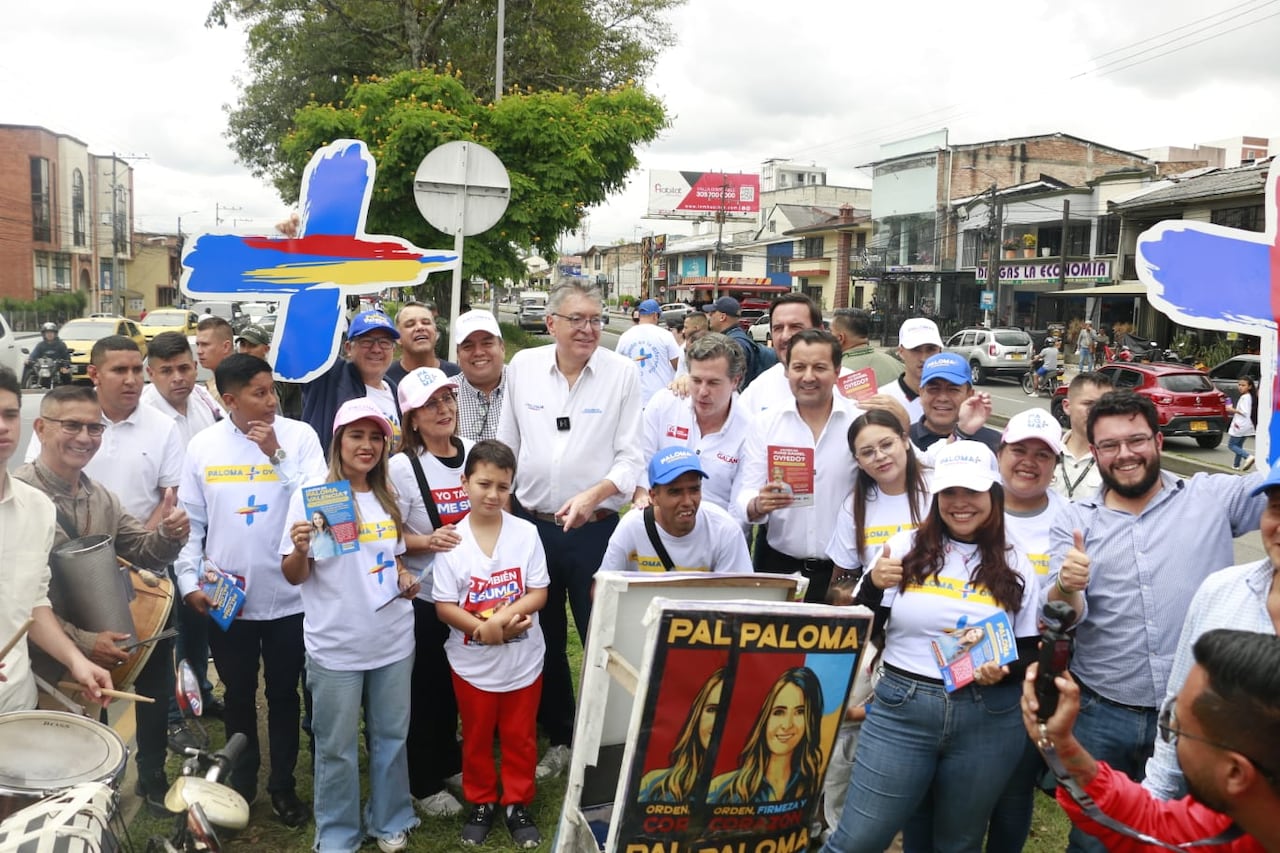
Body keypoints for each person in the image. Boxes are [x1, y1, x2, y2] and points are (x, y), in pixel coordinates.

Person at [1047, 389, 1267, 853]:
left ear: (1159, 442)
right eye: (1109, 445)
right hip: (1103, 713)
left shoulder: (1213, 497)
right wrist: (1068, 585)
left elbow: (1274, 502)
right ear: (1095, 450)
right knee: (1094, 839)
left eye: (1136, 440)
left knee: (1198, 837)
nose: (1124, 454)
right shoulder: (1073, 520)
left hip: (1203, 720)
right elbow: (1060, 618)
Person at [821, 441, 1042, 853]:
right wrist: (870, 587)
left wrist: (1003, 669)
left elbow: (1030, 647)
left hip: (986, 715)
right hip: (902, 710)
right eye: (949, 493)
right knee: (858, 840)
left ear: (993, 493)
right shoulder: (902, 549)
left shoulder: (1016, 561)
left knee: (956, 843)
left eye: (972, 492)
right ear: (936, 497)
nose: (961, 503)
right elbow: (858, 634)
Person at [16, 383, 188, 815]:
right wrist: (84, 642)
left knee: (85, 775)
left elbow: (144, 551)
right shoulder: (18, 497)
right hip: (34, 671)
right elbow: (18, 599)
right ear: (40, 427)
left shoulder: (100, 497)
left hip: (91, 666)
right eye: (71, 425)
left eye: (95, 428)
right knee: (37, 786)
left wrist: (170, 533)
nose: (85, 437)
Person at [496, 282, 643, 779]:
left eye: (596, 320)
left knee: (603, 634)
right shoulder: (524, 368)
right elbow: (507, 442)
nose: (588, 329)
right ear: (552, 322)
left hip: (596, 531)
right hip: (532, 526)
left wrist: (593, 496)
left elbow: (630, 456)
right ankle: (560, 736)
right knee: (544, 635)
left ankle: (610, 741)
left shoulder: (623, 373)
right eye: (577, 319)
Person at [280, 399, 418, 853]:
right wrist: (300, 548)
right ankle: (338, 833)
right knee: (335, 747)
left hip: (393, 639)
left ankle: (390, 818)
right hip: (336, 645)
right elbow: (295, 574)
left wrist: (402, 575)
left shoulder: (386, 494)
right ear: (338, 441)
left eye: (376, 436)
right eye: (357, 435)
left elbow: (391, 554)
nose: (367, 445)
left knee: (391, 736)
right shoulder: (314, 496)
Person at [1023, 629, 1280, 853]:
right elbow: (1150, 827)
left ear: (1235, 773)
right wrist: (1062, 745)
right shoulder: (1239, 822)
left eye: (1175, 727)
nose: (1172, 740)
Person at [433, 440, 549, 849]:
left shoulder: (526, 534)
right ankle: (482, 799)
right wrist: (483, 631)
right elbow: (445, 606)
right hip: (471, 663)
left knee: (520, 735)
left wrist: (498, 622)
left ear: (512, 487)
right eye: (484, 483)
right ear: (464, 483)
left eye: (503, 486)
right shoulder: (452, 541)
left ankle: (517, 800)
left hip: (523, 660)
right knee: (478, 735)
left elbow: (538, 592)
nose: (493, 494)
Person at [1143, 462, 1280, 800]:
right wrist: (1157, 799)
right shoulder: (1221, 591)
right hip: (1211, 815)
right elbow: (1178, 712)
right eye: (1276, 508)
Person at [0, 368, 112, 716]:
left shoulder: (37, 509)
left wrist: (76, 660)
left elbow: (32, 603)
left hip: (18, 703)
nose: (3, 425)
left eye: (9, 414)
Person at [386, 367, 471, 818]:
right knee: (427, 689)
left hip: (474, 596)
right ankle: (422, 778)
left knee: (459, 686)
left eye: (447, 400)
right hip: (426, 598)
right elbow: (388, 534)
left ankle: (450, 759)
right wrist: (428, 541)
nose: (442, 410)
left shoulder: (473, 454)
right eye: (430, 405)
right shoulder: (402, 467)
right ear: (411, 419)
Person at [141, 330, 226, 752]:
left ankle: (201, 695)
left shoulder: (205, 404)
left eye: (185, 368)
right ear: (151, 373)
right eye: (167, 371)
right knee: (170, 628)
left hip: (203, 533)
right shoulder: (147, 415)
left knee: (198, 620)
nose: (178, 378)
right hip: (161, 539)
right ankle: (174, 715)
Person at [734, 329, 862, 602]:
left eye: (820, 367)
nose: (808, 377)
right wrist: (758, 503)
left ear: (837, 371)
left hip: (842, 574)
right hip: (779, 567)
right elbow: (745, 491)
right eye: (799, 367)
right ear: (786, 371)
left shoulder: (860, 422)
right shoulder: (766, 424)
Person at [24, 336, 184, 533]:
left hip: (137, 557)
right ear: (94, 374)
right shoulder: (60, 420)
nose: (131, 380)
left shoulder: (165, 427)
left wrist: (138, 548)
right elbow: (35, 485)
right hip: (67, 552)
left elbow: (169, 497)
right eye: (119, 370)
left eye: (137, 370)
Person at [638, 333, 750, 515]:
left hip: (718, 536)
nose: (703, 391)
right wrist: (643, 496)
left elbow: (740, 506)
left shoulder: (750, 429)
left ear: (735, 381)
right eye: (696, 380)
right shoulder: (664, 403)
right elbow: (641, 462)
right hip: (659, 527)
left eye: (713, 383)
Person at [600, 447, 752, 574]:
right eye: (675, 492)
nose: (687, 501)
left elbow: (738, 599)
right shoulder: (631, 527)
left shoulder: (725, 530)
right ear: (653, 496)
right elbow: (603, 590)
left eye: (694, 490)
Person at [826, 408, 931, 580]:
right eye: (867, 452)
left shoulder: (939, 490)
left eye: (887, 444)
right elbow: (843, 577)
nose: (880, 456)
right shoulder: (854, 506)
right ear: (858, 461)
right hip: (875, 604)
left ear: (905, 441)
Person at [708, 666, 825, 804]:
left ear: (810, 721)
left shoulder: (813, 784)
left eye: (800, 712)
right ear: (764, 719)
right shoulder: (721, 788)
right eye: (779, 712)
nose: (787, 725)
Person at [301, 309, 403, 454]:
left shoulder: (398, 393)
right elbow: (306, 341)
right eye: (367, 342)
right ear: (348, 347)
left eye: (385, 342)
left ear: (393, 349)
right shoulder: (329, 379)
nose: (376, 349)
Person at [638, 667, 726, 802]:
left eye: (730, 711)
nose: (718, 721)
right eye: (712, 709)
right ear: (697, 715)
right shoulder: (654, 784)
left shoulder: (750, 791)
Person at [908, 352, 1002, 453]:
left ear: (969, 395)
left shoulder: (995, 444)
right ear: (921, 393)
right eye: (934, 389)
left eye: (953, 389)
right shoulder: (903, 441)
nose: (942, 398)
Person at [1049, 372, 1114, 501]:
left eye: (1105, 406)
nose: (1097, 411)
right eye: (1088, 404)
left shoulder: (1117, 461)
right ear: (1067, 407)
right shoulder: (1047, 452)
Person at [452, 310, 507, 442]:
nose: (478, 352)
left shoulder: (527, 385)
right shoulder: (445, 396)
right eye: (468, 346)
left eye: (487, 343)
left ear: (502, 348)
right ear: (458, 354)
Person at [616, 298, 681, 407]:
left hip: (633, 400)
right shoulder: (665, 335)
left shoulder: (626, 336)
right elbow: (678, 365)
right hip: (660, 399)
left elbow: (617, 366)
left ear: (640, 316)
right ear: (655, 315)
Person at [882, 317, 944, 424]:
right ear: (901, 351)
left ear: (940, 351)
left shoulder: (954, 400)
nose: (924, 358)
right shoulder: (883, 399)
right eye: (915, 349)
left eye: (931, 349)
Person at [235, 324, 303, 420]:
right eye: (243, 345)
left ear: (266, 349)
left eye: (252, 346)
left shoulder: (279, 374)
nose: (246, 351)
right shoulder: (233, 374)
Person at [385, 301, 460, 385]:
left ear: (436, 334)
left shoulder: (456, 375)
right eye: (410, 324)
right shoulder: (386, 380)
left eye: (426, 323)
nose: (420, 327)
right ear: (398, 338)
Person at [830, 308, 903, 387]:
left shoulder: (836, 373)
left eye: (830, 332)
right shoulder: (898, 366)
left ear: (840, 338)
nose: (827, 336)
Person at [701, 296, 760, 389]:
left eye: (712, 313)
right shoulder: (736, 337)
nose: (709, 316)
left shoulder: (734, 344)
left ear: (722, 317)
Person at [196, 315, 235, 409]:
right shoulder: (215, 382)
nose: (199, 351)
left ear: (226, 347)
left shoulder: (233, 385)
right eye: (198, 344)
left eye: (205, 344)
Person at [1226, 375, 1258, 471]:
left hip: (1240, 425)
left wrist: (1231, 409)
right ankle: (1236, 465)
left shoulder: (1245, 397)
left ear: (1250, 386)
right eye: (1239, 385)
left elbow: (1244, 412)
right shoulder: (1251, 397)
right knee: (1238, 445)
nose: (1240, 387)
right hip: (1247, 425)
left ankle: (1248, 456)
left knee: (1231, 445)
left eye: (1243, 385)